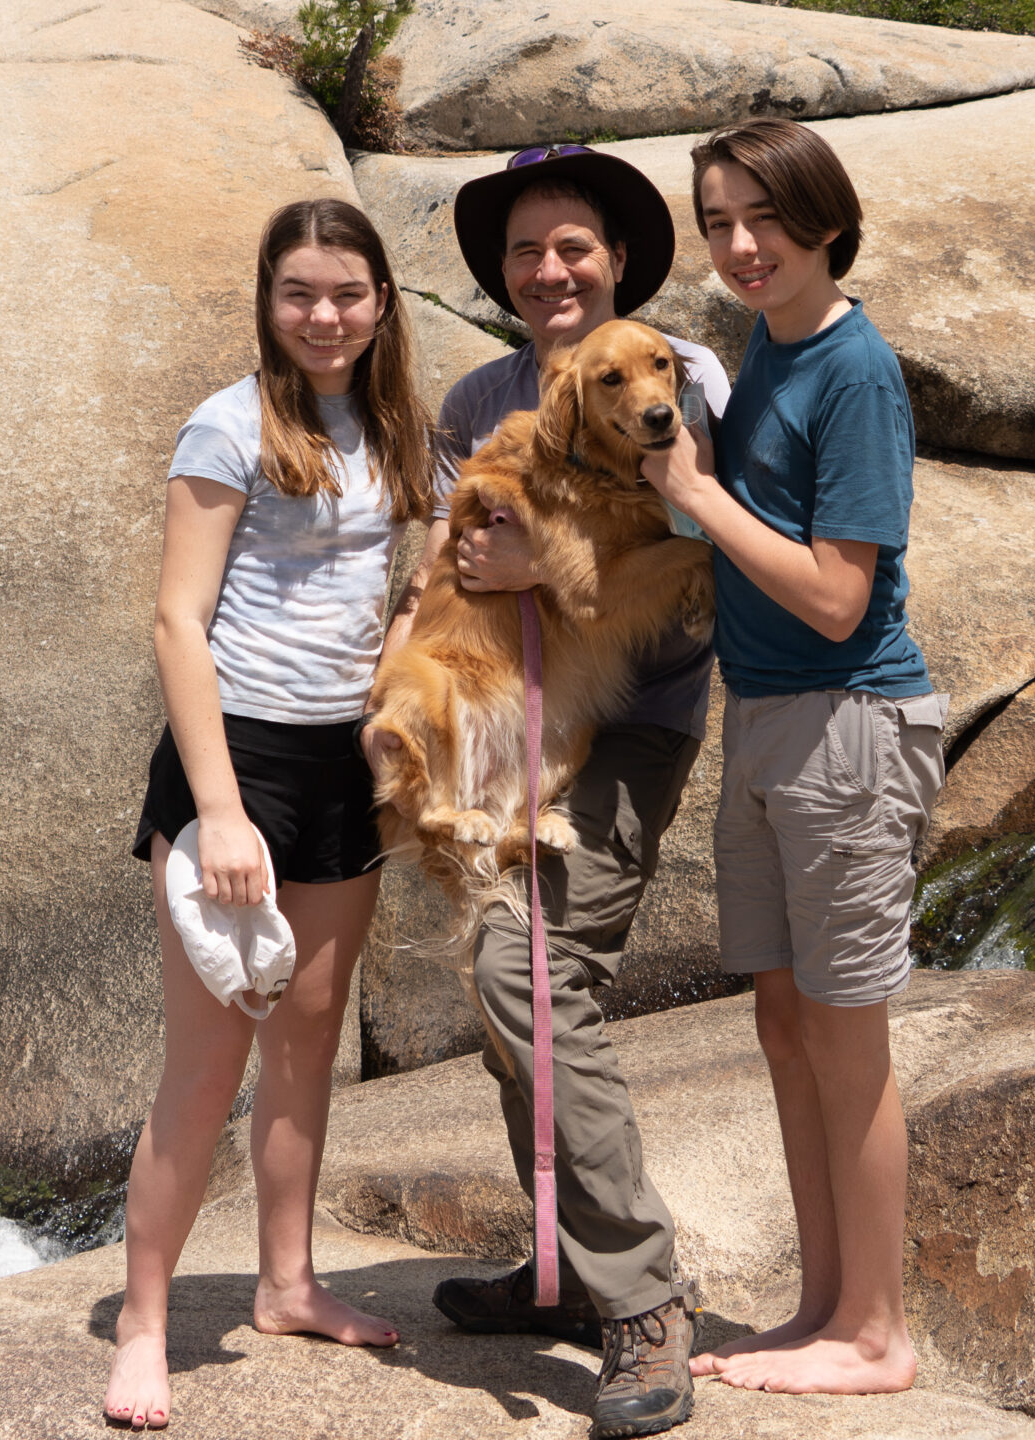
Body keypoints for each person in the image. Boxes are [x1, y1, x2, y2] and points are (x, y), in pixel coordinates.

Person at [364, 143, 731, 1440]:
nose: (549, 269)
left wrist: (549, 565)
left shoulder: (682, 379)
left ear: (618, 257)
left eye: (573, 245)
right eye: (525, 251)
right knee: (507, 981)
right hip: (508, 729)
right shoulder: (478, 398)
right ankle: (570, 1266)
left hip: (627, 730)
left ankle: (641, 1303)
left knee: (529, 975)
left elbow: (705, 547)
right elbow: (447, 560)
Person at [105, 197, 437, 1431]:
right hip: (233, 762)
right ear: (267, 301)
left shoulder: (400, 426)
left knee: (308, 1038)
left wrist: (398, 671)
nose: (324, 315)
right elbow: (175, 621)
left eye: (346, 293)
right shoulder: (228, 423)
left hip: (341, 765)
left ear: (382, 302)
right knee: (208, 1062)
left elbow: (414, 577)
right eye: (299, 293)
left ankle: (289, 1282)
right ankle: (144, 1324)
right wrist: (220, 811)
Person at [642, 118, 948, 1397]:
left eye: (761, 216)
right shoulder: (757, 353)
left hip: (848, 721)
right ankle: (822, 1303)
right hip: (765, 720)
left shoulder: (853, 371)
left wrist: (703, 500)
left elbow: (836, 594)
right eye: (715, 221)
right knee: (781, 1022)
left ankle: (876, 1335)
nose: (739, 244)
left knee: (846, 1033)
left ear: (825, 217)